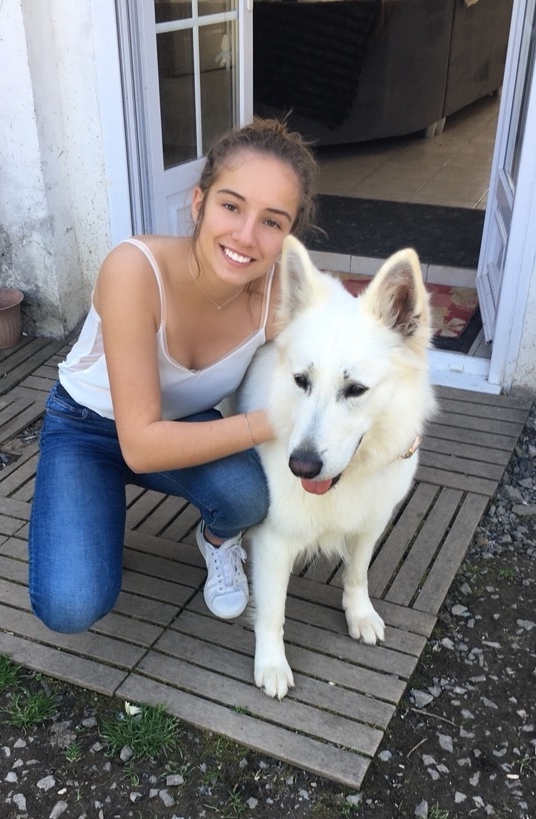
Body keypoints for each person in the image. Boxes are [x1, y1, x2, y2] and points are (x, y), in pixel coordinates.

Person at [28, 118, 318, 634]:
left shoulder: (279, 296)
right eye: (232, 206)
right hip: (85, 430)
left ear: (288, 238)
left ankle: (217, 540)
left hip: (183, 426)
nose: (246, 236)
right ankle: (93, 509)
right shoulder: (134, 270)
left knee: (252, 496)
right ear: (198, 202)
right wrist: (271, 421)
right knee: (70, 605)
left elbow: (354, 340)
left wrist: (393, 426)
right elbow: (140, 446)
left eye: (272, 222)